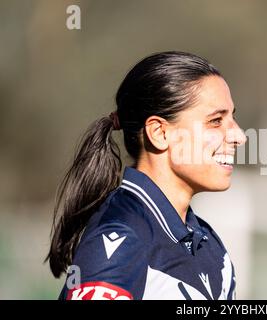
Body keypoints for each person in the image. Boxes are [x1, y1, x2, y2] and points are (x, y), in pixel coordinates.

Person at [46, 51, 247, 300]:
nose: (239, 136)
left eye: (232, 117)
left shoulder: (209, 244)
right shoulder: (120, 240)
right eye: (216, 120)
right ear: (160, 133)